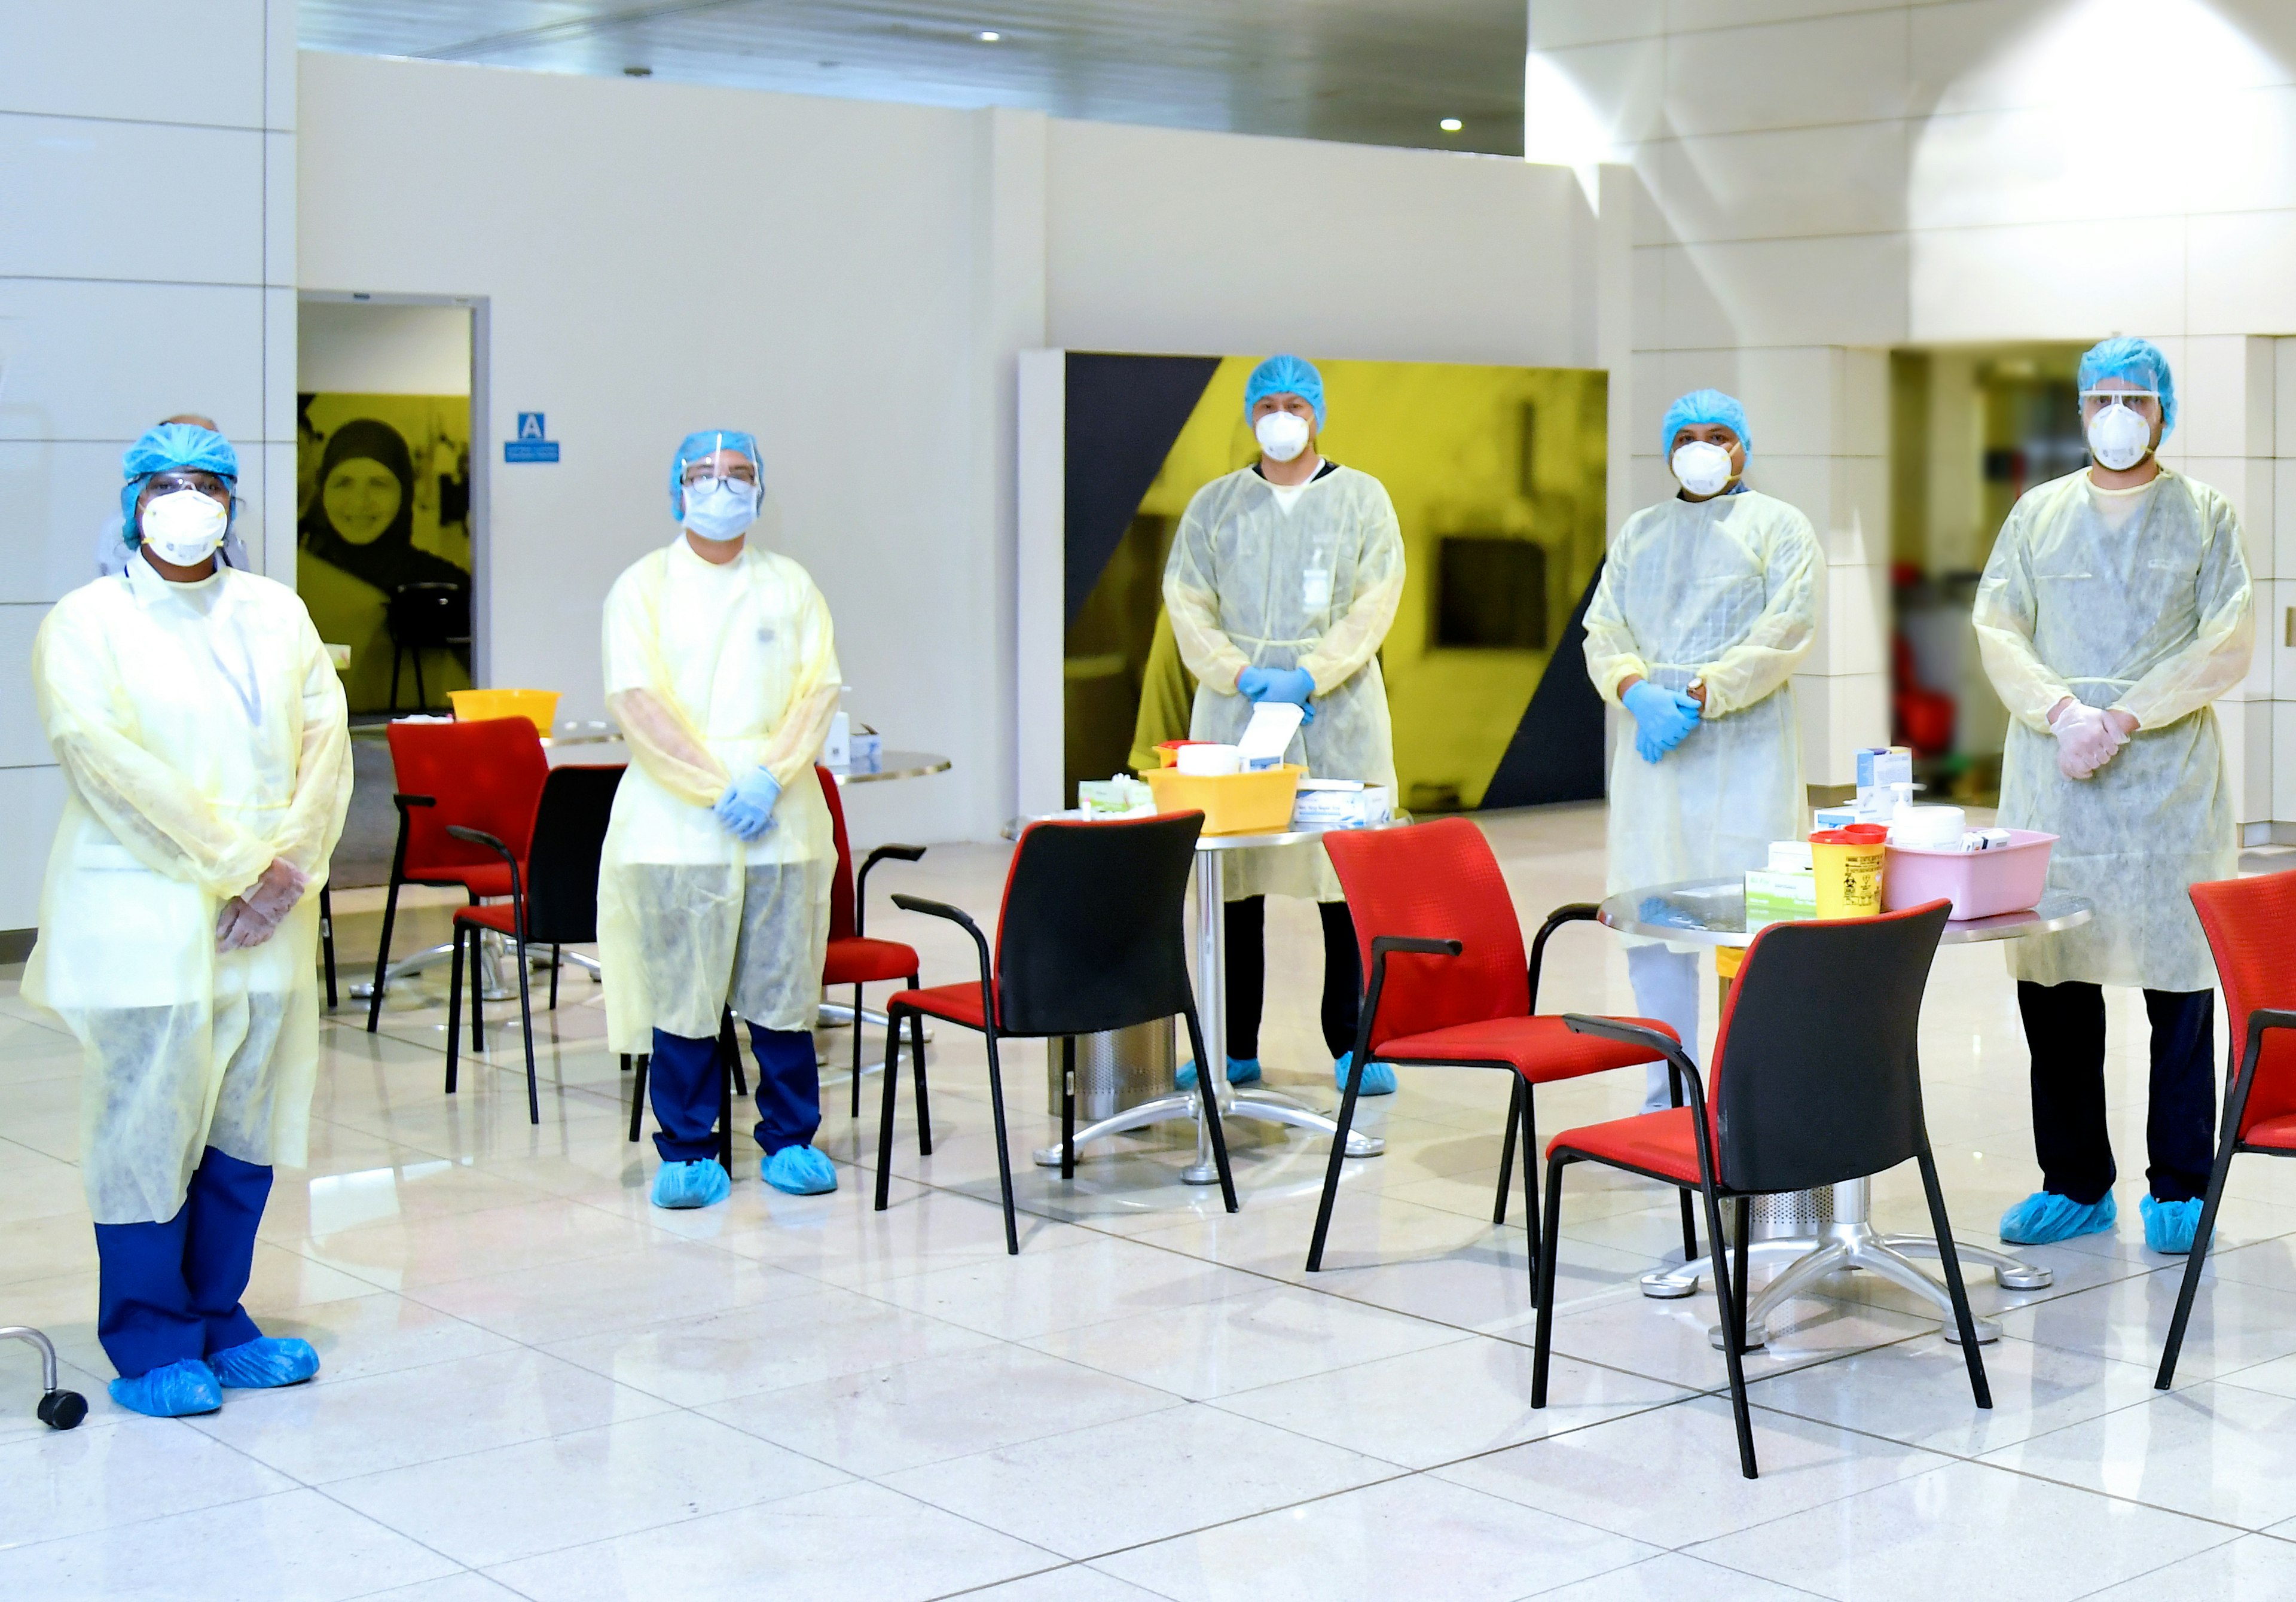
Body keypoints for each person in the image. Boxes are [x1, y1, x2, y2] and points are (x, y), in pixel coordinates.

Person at [29, 423, 352, 1418]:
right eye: (167, 483)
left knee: (246, 1122)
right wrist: (243, 868)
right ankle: (150, 1336)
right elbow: (106, 763)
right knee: (147, 1126)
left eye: (209, 483)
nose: (189, 501)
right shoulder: (86, 622)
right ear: (133, 502)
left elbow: (326, 746)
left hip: (269, 914)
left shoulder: (276, 612)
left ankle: (220, 1316)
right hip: (142, 912)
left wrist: (286, 871)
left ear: (232, 503)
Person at [1975, 337, 2254, 1255]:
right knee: (2054, 976)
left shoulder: (2205, 516)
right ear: (2081, 410)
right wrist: (2063, 712)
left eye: (2137, 398)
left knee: (2179, 982)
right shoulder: (2038, 514)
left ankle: (2180, 1185)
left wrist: (2126, 716)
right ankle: (2074, 1181)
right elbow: (1999, 625)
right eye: (2103, 398)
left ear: (2165, 410)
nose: (2119, 415)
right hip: (2056, 777)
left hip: (2167, 782)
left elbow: (2226, 638)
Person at [598, 430, 843, 1207]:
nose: (721, 488)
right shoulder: (641, 588)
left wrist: (769, 778)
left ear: (761, 489)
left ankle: (791, 1138)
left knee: (783, 991)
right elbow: (637, 699)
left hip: (780, 819)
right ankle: (687, 1149)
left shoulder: (791, 585)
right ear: (676, 490)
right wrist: (714, 787)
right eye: (703, 475)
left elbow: (817, 690)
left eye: (739, 474)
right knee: (683, 995)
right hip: (675, 827)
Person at [1162, 355, 1404, 1094]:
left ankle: (1353, 1044)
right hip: (1235, 712)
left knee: (1344, 879)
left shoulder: (1362, 499)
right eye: (1268, 405)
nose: (1281, 418)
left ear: (1318, 415)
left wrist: (1311, 673)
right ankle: (1232, 1046)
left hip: (1337, 713)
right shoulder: (1216, 505)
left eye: (1295, 405)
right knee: (1232, 881)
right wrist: (1239, 673)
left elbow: (1375, 600)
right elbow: (1187, 599)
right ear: (1249, 415)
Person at [1583, 389, 1821, 1112]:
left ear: (1744, 447)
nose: (1703, 449)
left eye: (1719, 435)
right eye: (1687, 437)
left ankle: (1750, 1100)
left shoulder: (1780, 526)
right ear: (1667, 452)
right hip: (1655, 755)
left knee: (1757, 923)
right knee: (1653, 917)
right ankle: (1666, 1100)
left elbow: (1787, 628)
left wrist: (1703, 692)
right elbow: (1604, 628)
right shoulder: (1640, 533)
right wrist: (1636, 692)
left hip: (1749, 754)